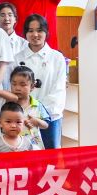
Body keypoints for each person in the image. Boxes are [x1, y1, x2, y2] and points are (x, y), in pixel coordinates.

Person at [15, 14, 67, 149]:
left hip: (49, 117)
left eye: (39, 30)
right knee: (24, 153)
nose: (35, 34)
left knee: (51, 155)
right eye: (30, 31)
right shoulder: (17, 58)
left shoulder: (57, 58)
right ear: (25, 33)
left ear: (46, 32)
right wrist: (26, 112)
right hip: (24, 117)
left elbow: (58, 90)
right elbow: (14, 88)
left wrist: (39, 114)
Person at [7, 66, 49, 151]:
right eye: (14, 84)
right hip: (13, 148)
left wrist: (36, 121)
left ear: (32, 86)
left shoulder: (37, 105)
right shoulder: (7, 105)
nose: (17, 88)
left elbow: (46, 125)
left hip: (34, 148)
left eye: (22, 85)